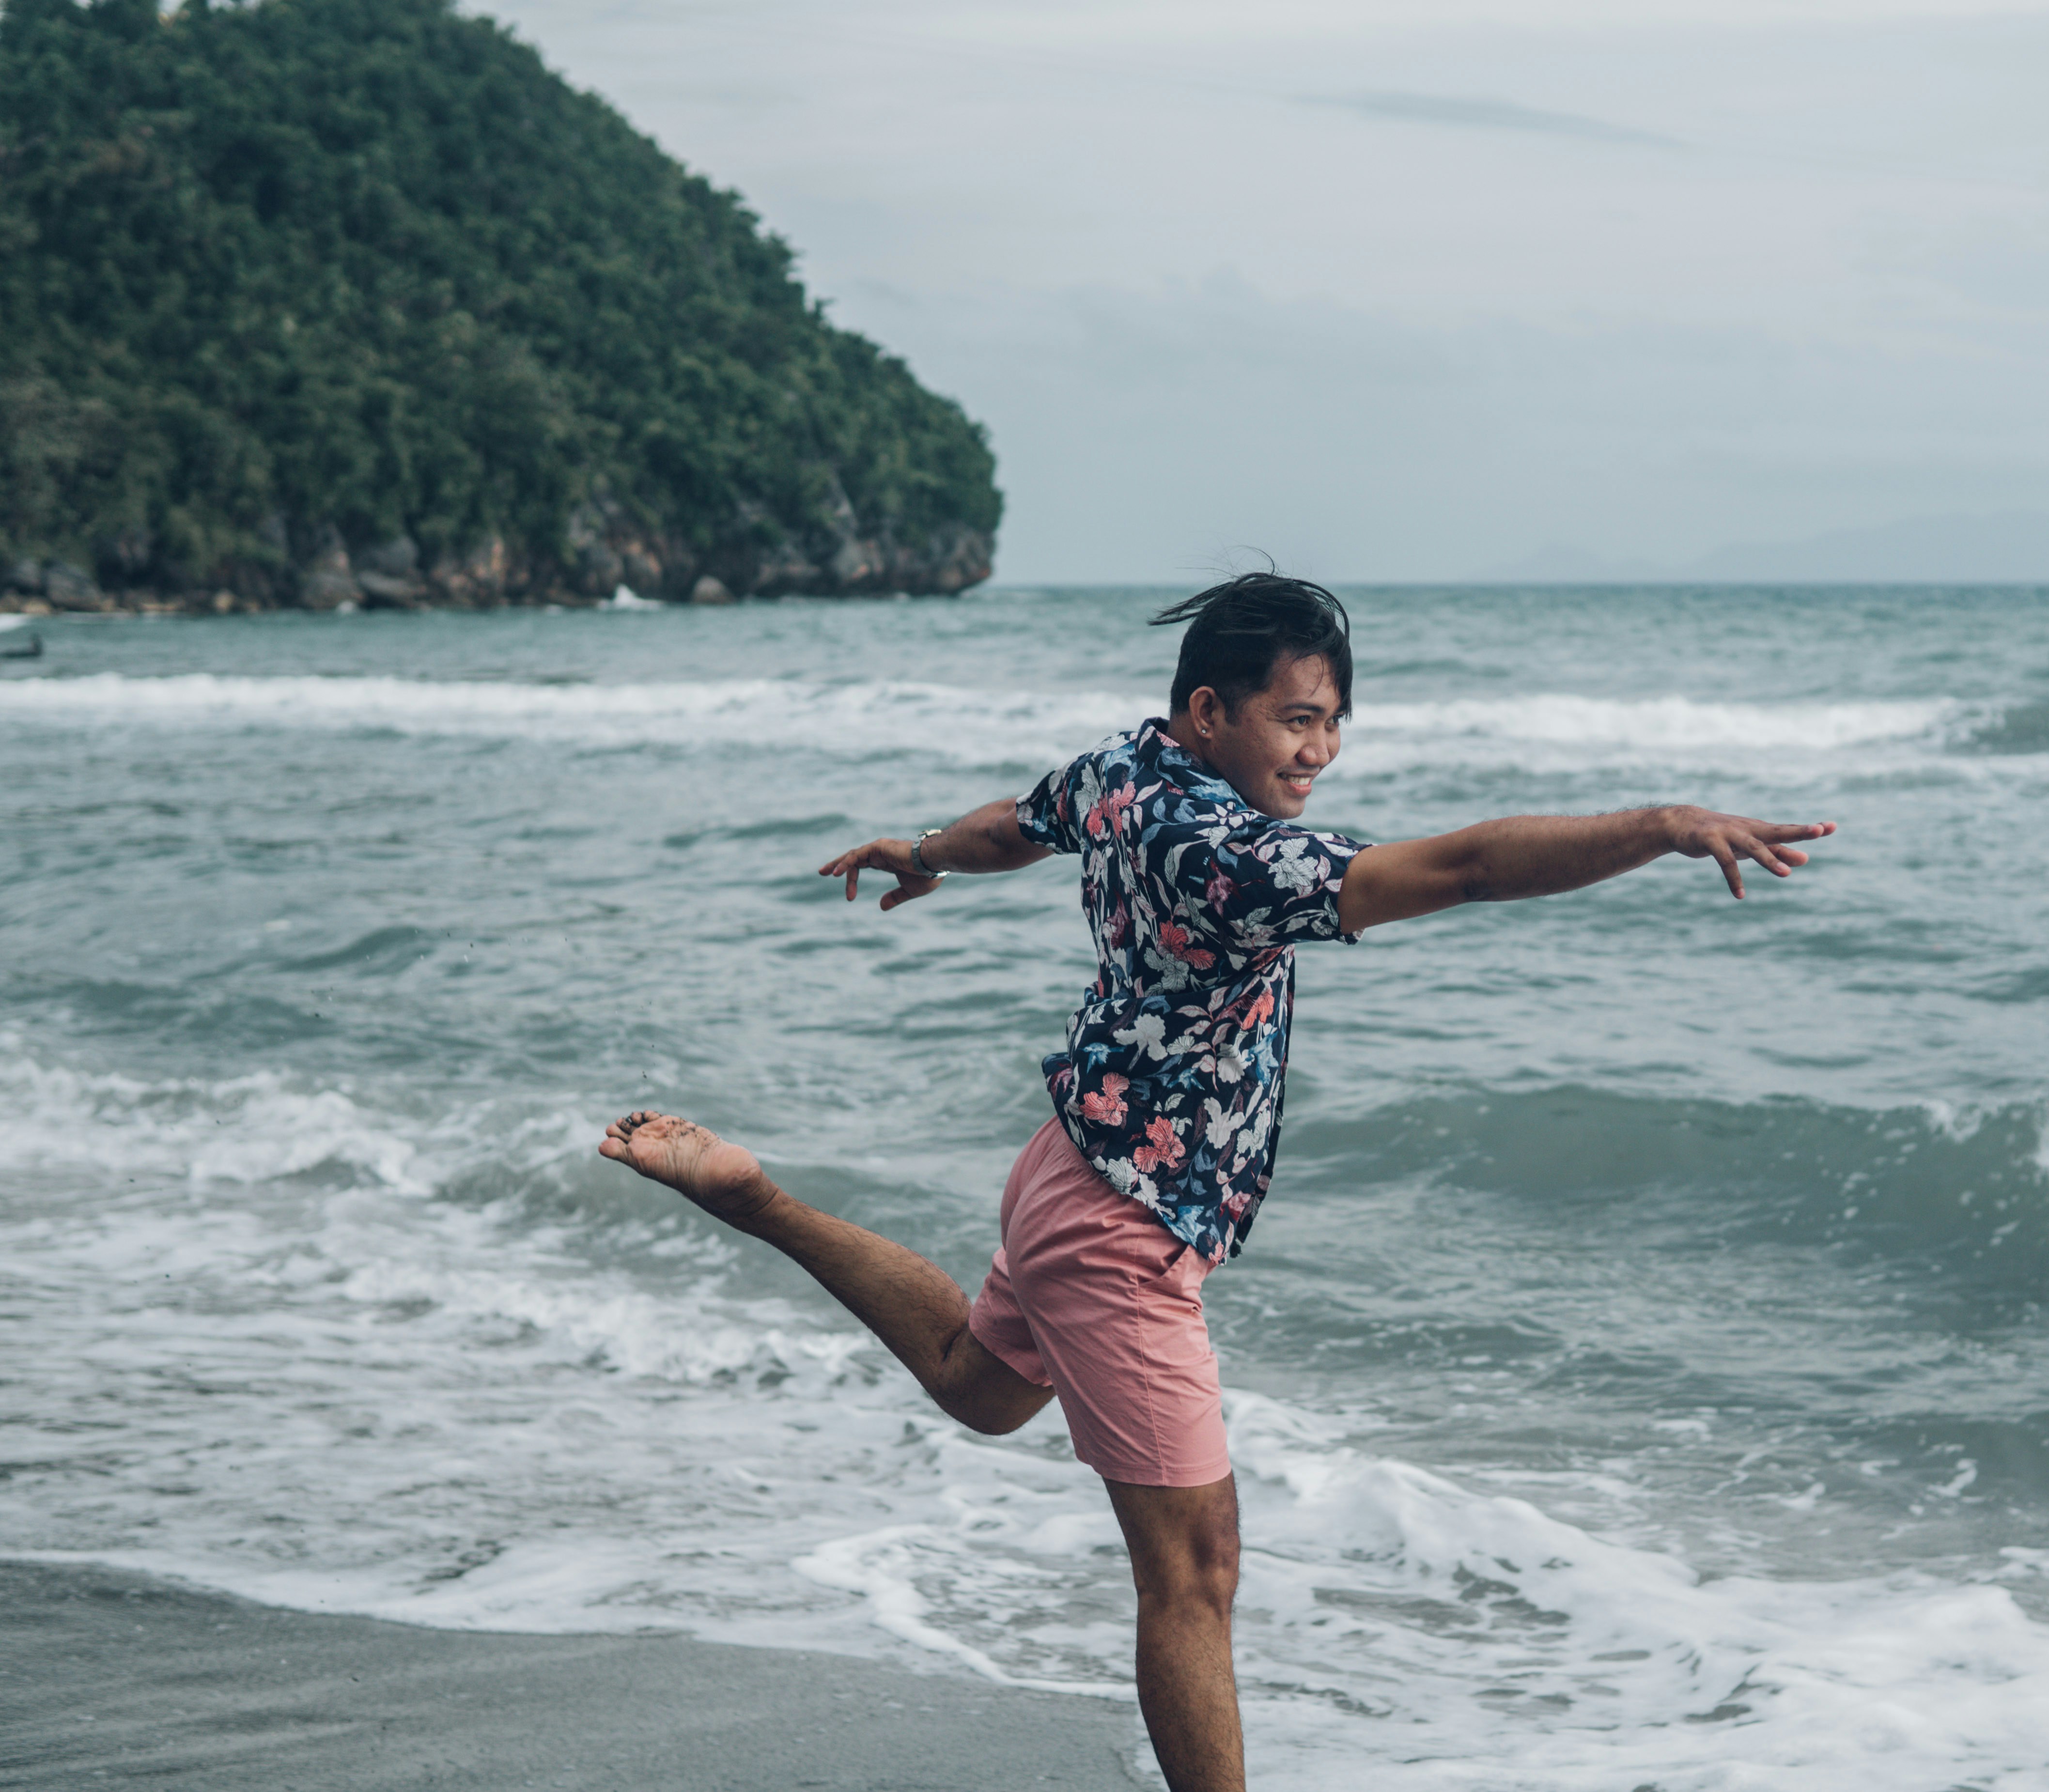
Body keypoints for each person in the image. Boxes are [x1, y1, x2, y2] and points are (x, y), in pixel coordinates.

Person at [599, 572, 1833, 1792]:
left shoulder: (1123, 771)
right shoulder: (1234, 860)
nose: (1323, 750)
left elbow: (1014, 825)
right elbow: (1461, 870)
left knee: (983, 1389)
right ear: (1209, 710)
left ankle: (752, 1195)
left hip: (1070, 1160)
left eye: (1336, 720)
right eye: (1298, 718)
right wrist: (1660, 825)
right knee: (1195, 1573)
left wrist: (921, 852)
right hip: (1123, 1225)